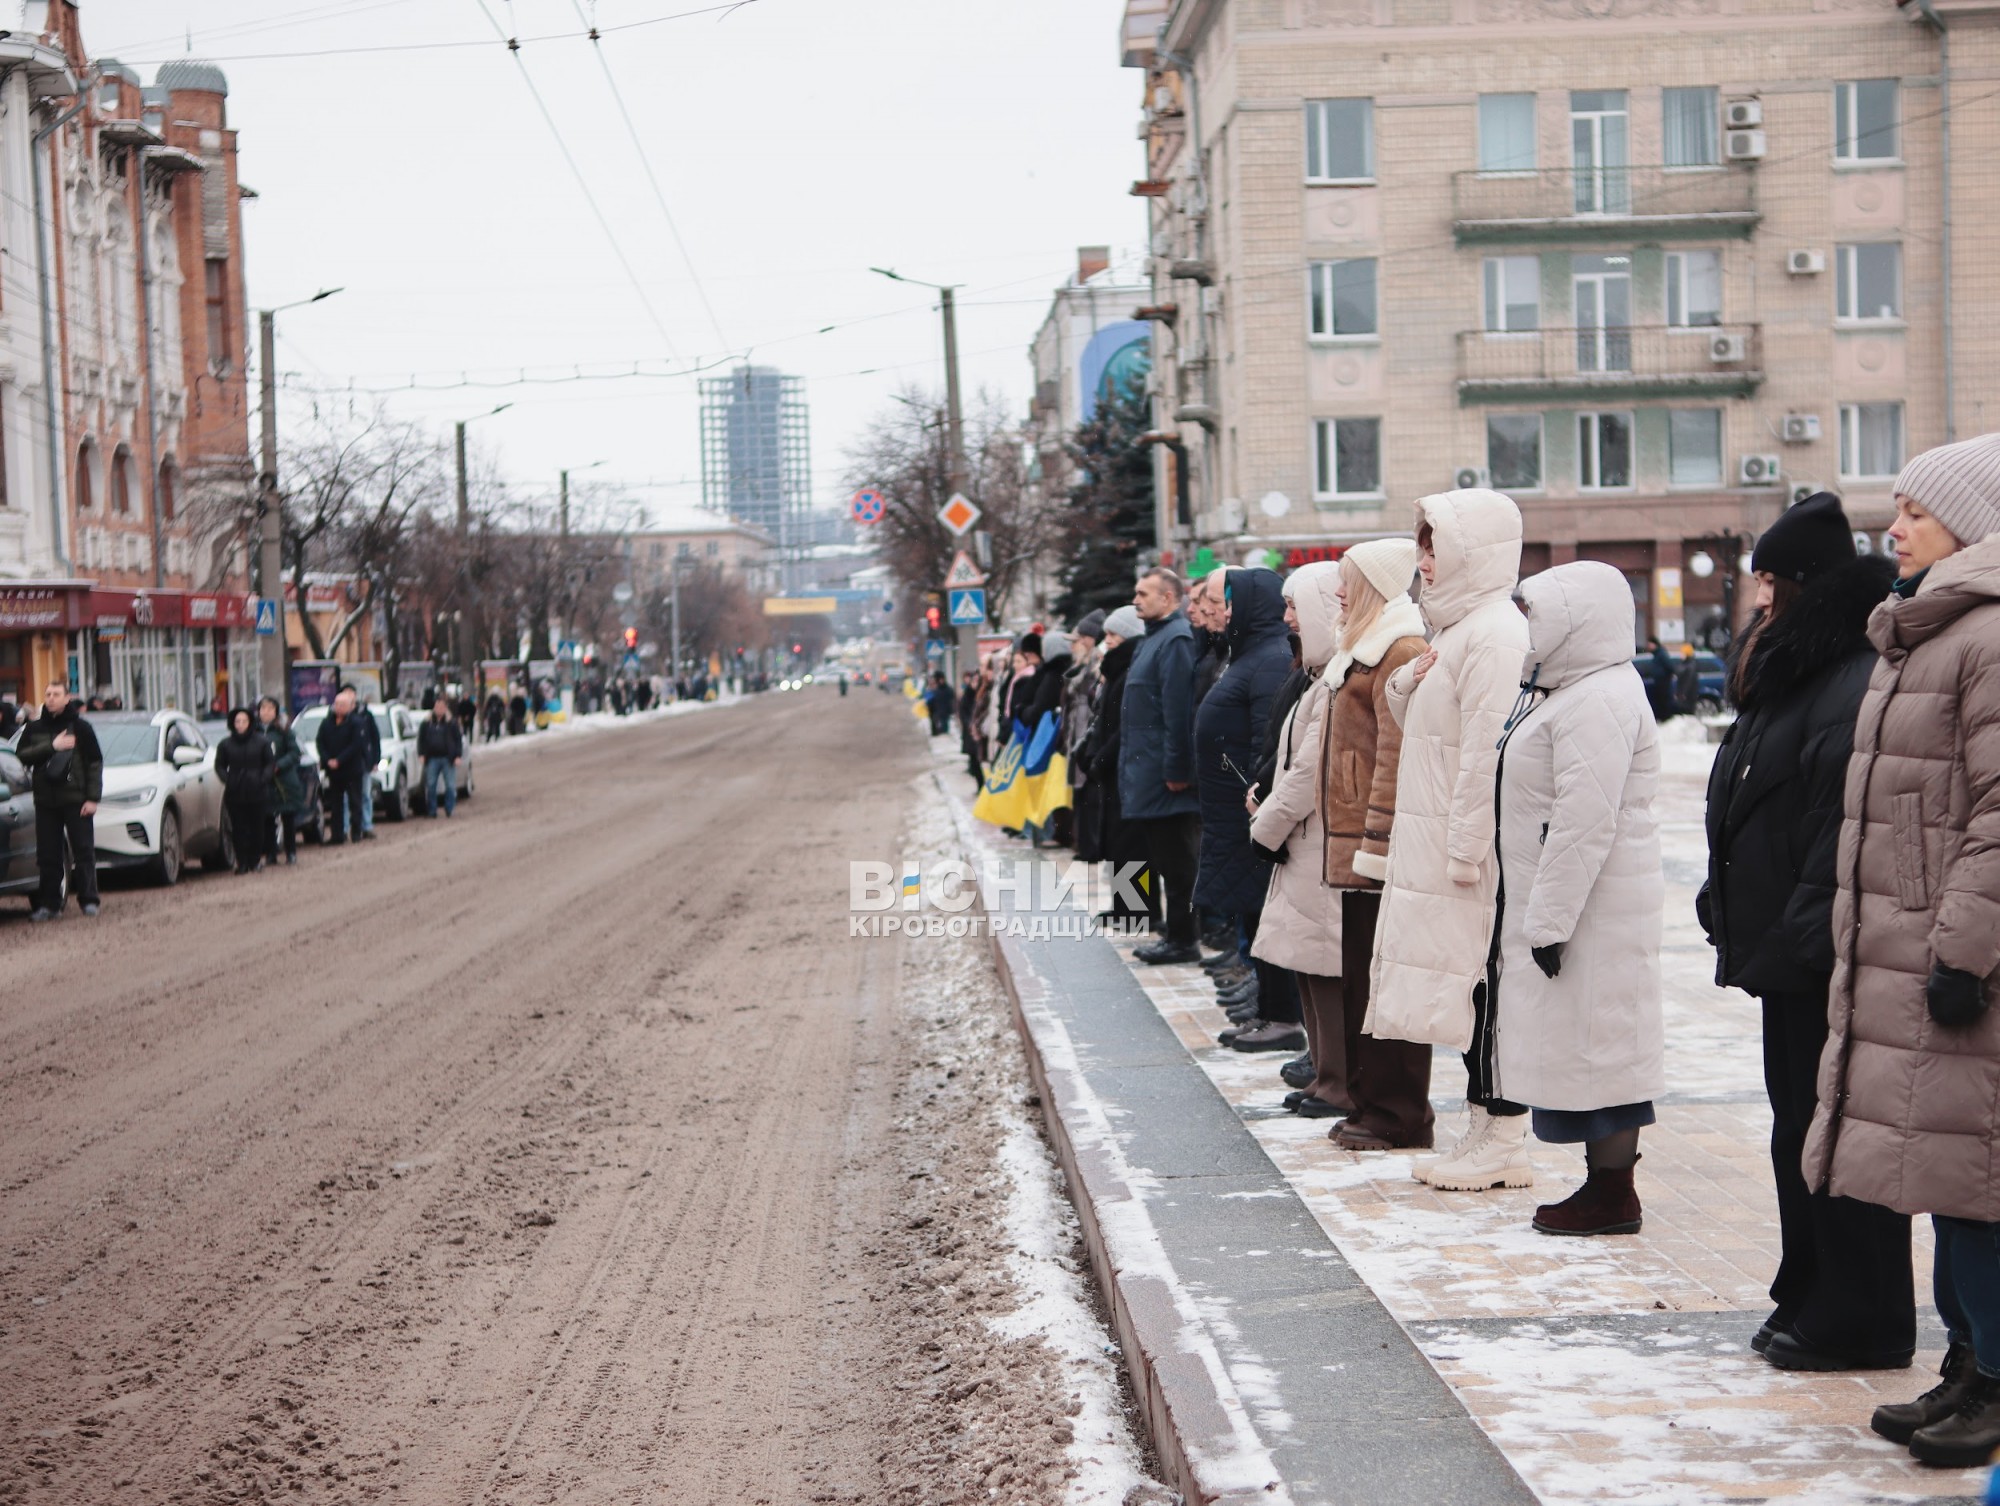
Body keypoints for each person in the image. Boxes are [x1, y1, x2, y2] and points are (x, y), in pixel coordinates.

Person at [1804, 432, 2000, 1466]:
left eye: (1913, 509)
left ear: (1967, 524)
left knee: (1977, 1183)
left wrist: (1963, 950)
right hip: (1911, 947)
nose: (1894, 525)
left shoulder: (1985, 637)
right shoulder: (1930, 629)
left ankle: (1994, 1378)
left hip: (1961, 963)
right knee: (1943, 1177)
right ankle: (1966, 1365)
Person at [1701, 494, 1909, 1368]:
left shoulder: (1847, 675)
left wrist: (1798, 933)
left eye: (1771, 584)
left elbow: (1837, 830)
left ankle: (1861, 1312)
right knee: (1798, 1127)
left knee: (1837, 1133)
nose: (1758, 601)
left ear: (1805, 588)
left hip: (1819, 948)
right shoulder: (1796, 668)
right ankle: (1811, 1283)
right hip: (1787, 947)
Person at [1486, 562, 1665, 1234]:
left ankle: (1613, 1195)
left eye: (1536, 614)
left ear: (1574, 618)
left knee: (1604, 1051)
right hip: (1576, 905)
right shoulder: (1567, 692)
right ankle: (1603, 1188)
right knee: (1588, 1047)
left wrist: (1550, 923)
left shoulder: (1599, 699)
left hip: (1594, 911)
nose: (1527, 628)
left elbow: (1583, 820)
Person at [1367, 487, 1532, 1191]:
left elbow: (1484, 755)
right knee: (1469, 989)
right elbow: (1433, 733)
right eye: (1424, 546)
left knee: (1486, 988)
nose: (1424, 562)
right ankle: (1480, 1126)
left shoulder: (1495, 631)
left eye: (1436, 546)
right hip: (1443, 839)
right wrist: (1406, 683)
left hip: (1472, 851)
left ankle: (1505, 1134)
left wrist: (1467, 850)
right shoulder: (1459, 630)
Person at [1306, 540, 1433, 1149]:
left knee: (1386, 986)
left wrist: (1377, 846)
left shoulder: (1397, 648)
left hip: (1375, 852)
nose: (1336, 592)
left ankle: (1398, 1113)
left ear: (1376, 586)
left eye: (1346, 581)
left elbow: (1395, 754)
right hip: (1355, 851)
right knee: (1361, 982)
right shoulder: (1360, 649)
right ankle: (1368, 1103)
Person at [1244, 562, 1343, 1089]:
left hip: (1314, 839)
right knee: (1310, 963)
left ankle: (1334, 1078)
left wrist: (1267, 824)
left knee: (1325, 964)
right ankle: (1325, 1071)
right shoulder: (1312, 676)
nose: (1288, 619)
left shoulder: (1330, 681)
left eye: (1296, 607)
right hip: (1301, 839)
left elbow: (1307, 769)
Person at [1196, 568, 1298, 1050]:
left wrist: (1257, 794)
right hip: (1231, 807)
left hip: (1250, 808)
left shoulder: (1271, 659)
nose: (1225, 612)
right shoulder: (1252, 656)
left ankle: (1280, 1015)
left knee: (1263, 912)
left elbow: (1268, 738)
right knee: (1252, 913)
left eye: (1231, 603)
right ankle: (1267, 1009)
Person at [1120, 568, 1202, 963]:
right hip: (1147, 771)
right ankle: (1176, 932)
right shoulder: (1153, 639)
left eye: (1143, 594)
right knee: (1164, 857)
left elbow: (1177, 711)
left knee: (1176, 861)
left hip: (1164, 776)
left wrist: (1177, 770)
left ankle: (1183, 939)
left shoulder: (1175, 641)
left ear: (1168, 599)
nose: (1136, 600)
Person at [17, 681, 102, 920]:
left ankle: (89, 900)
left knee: (83, 851)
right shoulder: (34, 728)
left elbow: (94, 763)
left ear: (67, 698)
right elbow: (22, 755)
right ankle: (50, 904)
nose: (51, 698)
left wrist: (93, 798)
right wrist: (51, 746)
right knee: (48, 855)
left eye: (56, 694)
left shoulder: (81, 727)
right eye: (48, 694)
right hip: (45, 802)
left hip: (76, 799)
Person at [1080, 607, 1145, 899]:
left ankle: (1135, 905)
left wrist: (1102, 756)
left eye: (1112, 634)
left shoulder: (1129, 669)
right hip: (1111, 764)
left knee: (1129, 839)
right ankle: (1123, 903)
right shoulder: (1116, 669)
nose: (1106, 640)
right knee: (1115, 837)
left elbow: (1126, 723)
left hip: (1123, 764)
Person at [214, 706, 276, 875]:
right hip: (235, 792)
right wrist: (228, 779)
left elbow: (270, 763)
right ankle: (241, 862)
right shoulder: (225, 744)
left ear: (250, 723)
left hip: (257, 791)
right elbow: (219, 765)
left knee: (257, 827)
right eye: (237, 722)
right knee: (238, 828)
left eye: (244, 721)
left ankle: (255, 861)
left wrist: (263, 779)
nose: (240, 725)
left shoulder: (261, 742)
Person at [316, 689, 370, 845]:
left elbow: (356, 745)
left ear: (350, 707)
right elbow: (320, 742)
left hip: (351, 769)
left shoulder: (356, 723)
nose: (339, 707)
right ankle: (337, 835)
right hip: (334, 771)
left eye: (343, 705)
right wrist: (328, 760)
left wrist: (339, 760)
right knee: (336, 804)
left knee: (355, 802)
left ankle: (356, 833)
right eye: (337, 704)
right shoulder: (327, 723)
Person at [258, 696, 307, 866]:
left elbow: (294, 753)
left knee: (288, 819)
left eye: (270, 709)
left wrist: (278, 765)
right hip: (264, 780)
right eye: (263, 709)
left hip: (284, 781)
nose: (266, 712)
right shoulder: (255, 731)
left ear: (276, 712)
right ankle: (271, 853)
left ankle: (291, 852)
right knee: (268, 819)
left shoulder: (284, 730)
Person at [419, 695, 465, 818]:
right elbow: (421, 740)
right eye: (437, 706)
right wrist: (421, 754)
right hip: (432, 758)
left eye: (442, 707)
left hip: (447, 758)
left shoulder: (451, 723)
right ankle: (432, 810)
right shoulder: (427, 723)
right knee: (431, 785)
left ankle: (449, 808)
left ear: (445, 708)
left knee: (450, 785)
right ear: (434, 707)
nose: (439, 709)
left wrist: (458, 756)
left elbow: (458, 740)